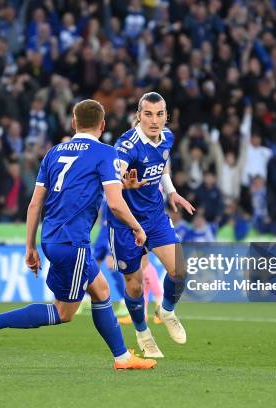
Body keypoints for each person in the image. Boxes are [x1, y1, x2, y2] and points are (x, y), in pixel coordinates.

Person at [0, 99, 156, 370]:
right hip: (73, 241)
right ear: (102, 126)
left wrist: (29, 247)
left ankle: (122, 357)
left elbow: (35, 204)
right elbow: (114, 203)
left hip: (52, 238)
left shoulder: (54, 153)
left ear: (73, 123)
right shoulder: (105, 153)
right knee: (63, 312)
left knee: (101, 290)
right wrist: (138, 227)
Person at [108, 92, 195, 358]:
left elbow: (163, 166)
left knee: (179, 269)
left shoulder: (167, 137)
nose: (154, 120)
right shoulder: (127, 145)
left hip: (155, 217)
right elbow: (113, 179)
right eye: (148, 114)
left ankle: (166, 310)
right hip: (125, 223)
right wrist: (125, 184)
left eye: (159, 114)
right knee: (134, 286)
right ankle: (143, 333)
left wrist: (171, 192)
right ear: (138, 115)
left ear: (166, 116)